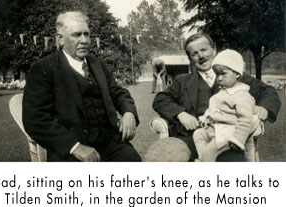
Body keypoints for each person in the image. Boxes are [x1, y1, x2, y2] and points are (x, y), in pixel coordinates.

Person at [23, 11, 141, 162]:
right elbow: (35, 119)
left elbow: (118, 93)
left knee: (133, 161)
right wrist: (74, 147)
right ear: (60, 39)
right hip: (71, 152)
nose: (84, 40)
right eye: (77, 35)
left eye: (87, 34)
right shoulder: (44, 69)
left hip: (110, 143)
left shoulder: (97, 64)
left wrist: (128, 113)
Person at [153, 33, 281, 162]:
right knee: (164, 158)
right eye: (194, 54)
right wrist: (181, 114)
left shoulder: (235, 75)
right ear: (190, 59)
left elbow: (268, 91)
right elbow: (160, 99)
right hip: (191, 139)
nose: (201, 56)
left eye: (204, 50)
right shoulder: (182, 81)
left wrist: (264, 107)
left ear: (214, 49)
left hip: (227, 139)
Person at [193, 49, 260, 162]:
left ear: (237, 74)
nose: (219, 78)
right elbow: (214, 108)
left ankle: (206, 162)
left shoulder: (242, 95)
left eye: (223, 74)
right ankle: (202, 159)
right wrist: (205, 118)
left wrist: (237, 139)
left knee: (208, 152)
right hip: (215, 128)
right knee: (198, 135)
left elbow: (245, 120)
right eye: (217, 74)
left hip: (228, 131)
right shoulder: (224, 91)